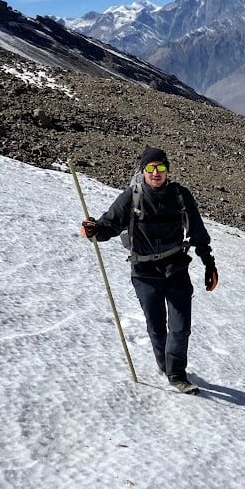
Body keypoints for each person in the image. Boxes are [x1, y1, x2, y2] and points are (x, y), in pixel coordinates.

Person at [81, 147, 218, 394]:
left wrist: (209, 263)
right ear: (143, 171)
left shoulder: (181, 196)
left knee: (180, 326)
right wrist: (93, 231)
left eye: (161, 168)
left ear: (167, 170)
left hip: (176, 268)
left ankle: (177, 374)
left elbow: (197, 232)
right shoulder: (130, 197)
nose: (156, 173)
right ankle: (165, 365)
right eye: (151, 168)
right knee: (156, 325)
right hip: (144, 272)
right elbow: (108, 226)